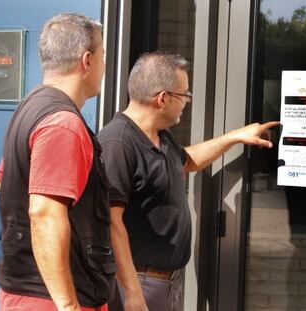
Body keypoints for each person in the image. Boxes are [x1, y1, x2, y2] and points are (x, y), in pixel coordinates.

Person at [97, 52, 279, 311]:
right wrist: (133, 294)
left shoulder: (160, 137)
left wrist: (235, 137)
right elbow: (112, 223)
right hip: (140, 285)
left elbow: (188, 160)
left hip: (166, 283)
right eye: (185, 95)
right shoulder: (118, 143)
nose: (187, 102)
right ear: (163, 98)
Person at [0, 13, 114, 311]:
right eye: (102, 56)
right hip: (50, 300)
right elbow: (45, 213)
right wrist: (68, 305)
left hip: (30, 294)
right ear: (86, 61)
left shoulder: (31, 107)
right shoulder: (62, 123)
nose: (105, 65)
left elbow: (4, 181)